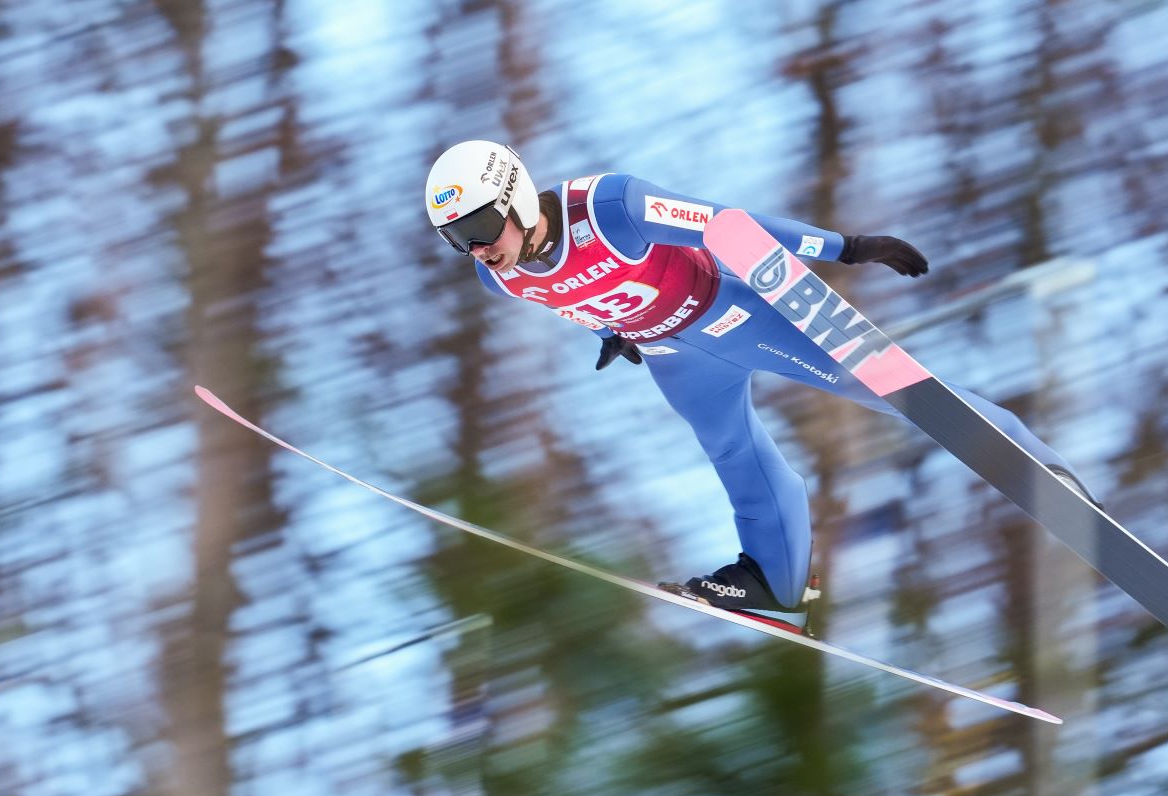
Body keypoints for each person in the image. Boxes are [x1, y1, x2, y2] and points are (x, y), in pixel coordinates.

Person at [425, 139, 1090, 630]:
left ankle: (1037, 466)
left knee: (887, 385)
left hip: (735, 314)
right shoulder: (500, 275)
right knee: (734, 455)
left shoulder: (610, 206)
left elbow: (726, 228)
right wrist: (611, 332)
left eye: (479, 227)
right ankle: (777, 584)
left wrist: (847, 247)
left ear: (513, 195)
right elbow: (581, 293)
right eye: (457, 238)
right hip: (674, 356)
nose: (476, 249)